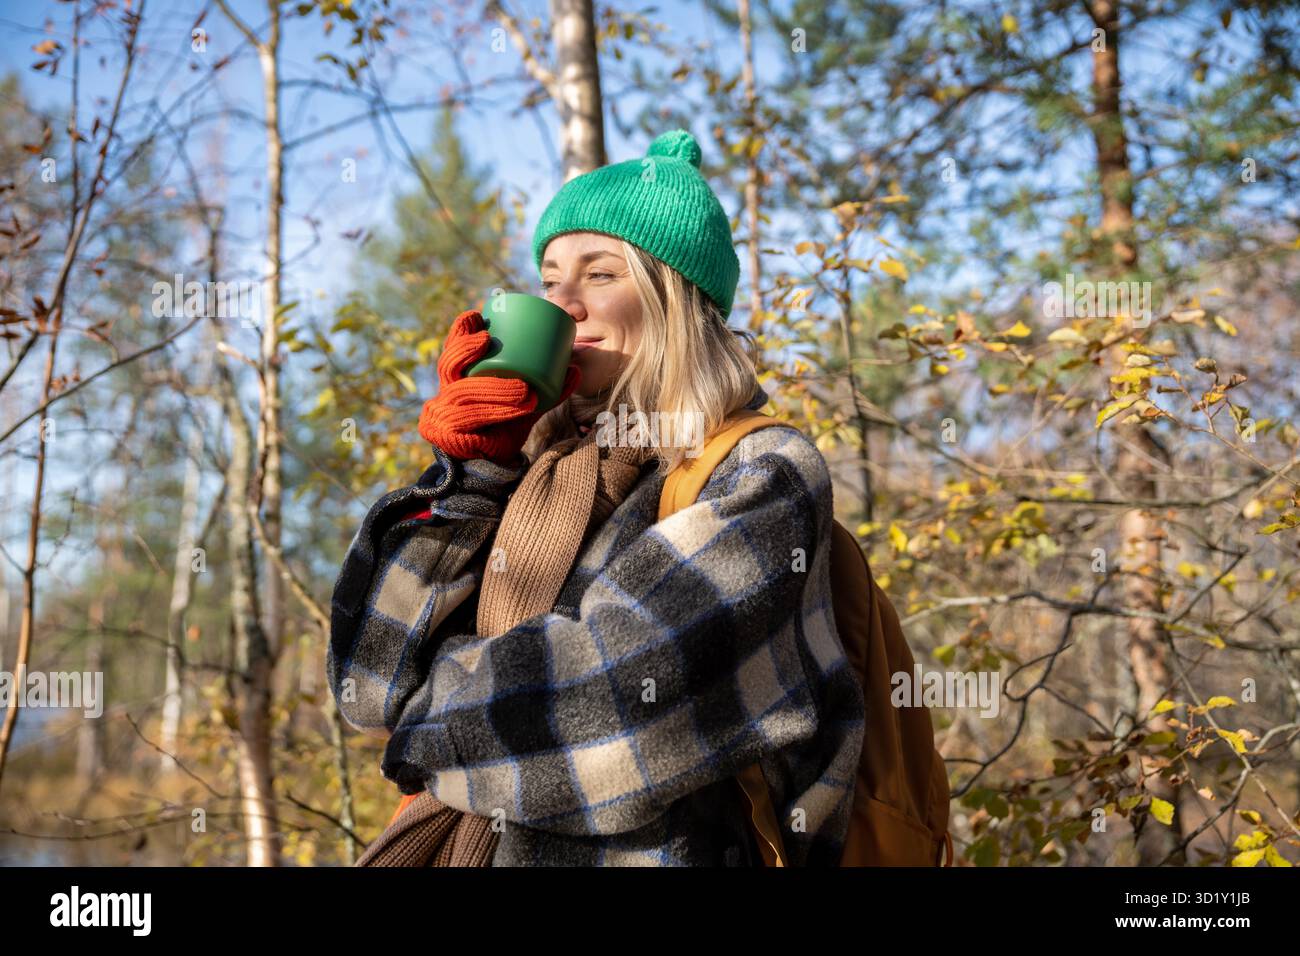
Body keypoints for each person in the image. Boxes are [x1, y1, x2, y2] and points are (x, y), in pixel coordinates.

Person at [326, 129, 866, 866]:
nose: (564, 303)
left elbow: (614, 707)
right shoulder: (525, 471)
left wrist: (420, 722)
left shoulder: (760, 472)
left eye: (601, 275)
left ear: (675, 298)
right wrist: (470, 471)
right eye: (550, 280)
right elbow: (366, 681)